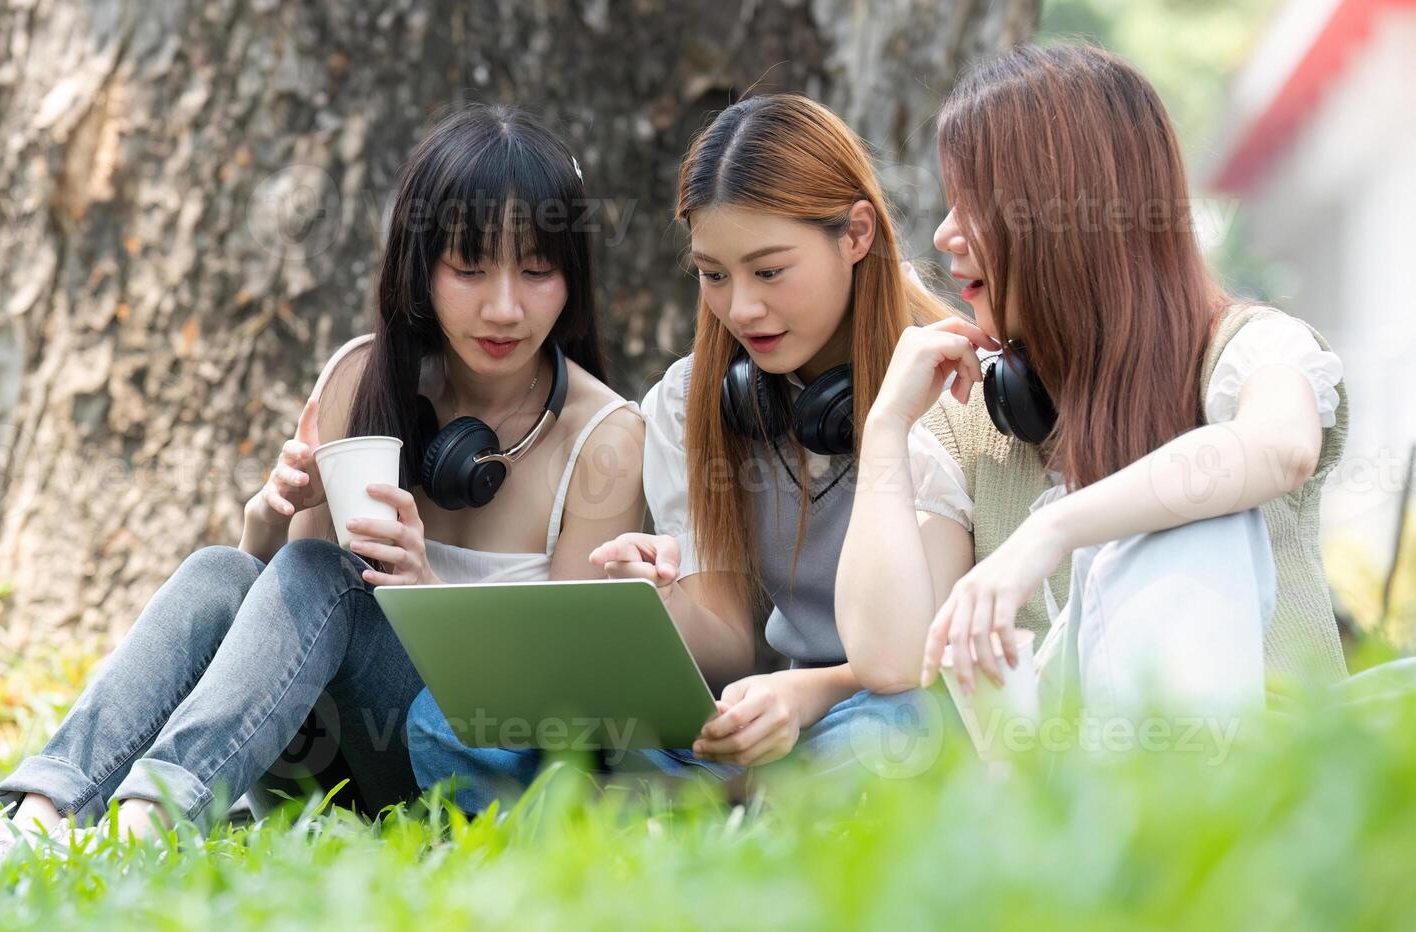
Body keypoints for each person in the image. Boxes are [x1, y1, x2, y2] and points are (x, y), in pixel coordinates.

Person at [0, 104, 648, 860]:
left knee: (338, 581)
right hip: (313, 766)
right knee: (225, 568)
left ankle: (146, 822)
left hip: (465, 775)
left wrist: (425, 599)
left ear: (571, 279)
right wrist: (270, 516)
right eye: (470, 268)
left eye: (537, 270)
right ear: (419, 266)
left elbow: (570, 705)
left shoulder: (604, 437)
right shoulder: (362, 378)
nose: (504, 306)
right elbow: (289, 605)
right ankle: (43, 812)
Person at [407, 94, 949, 814]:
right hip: (751, 722)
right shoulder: (690, 398)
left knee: (888, 735)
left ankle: (659, 819)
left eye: (769, 271)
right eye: (714, 274)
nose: (741, 308)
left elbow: (929, 659)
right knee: (442, 724)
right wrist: (655, 601)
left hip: (869, 705)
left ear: (854, 235)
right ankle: (723, 813)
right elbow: (721, 642)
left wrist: (808, 693)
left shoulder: (939, 378)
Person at [838, 43, 1348, 731]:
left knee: (1195, 511)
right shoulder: (969, 416)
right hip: (1061, 801)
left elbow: (1279, 447)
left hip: (1260, 791)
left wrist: (1050, 531)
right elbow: (892, 660)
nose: (944, 233)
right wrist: (885, 430)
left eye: (972, 204)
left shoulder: (1245, 350)